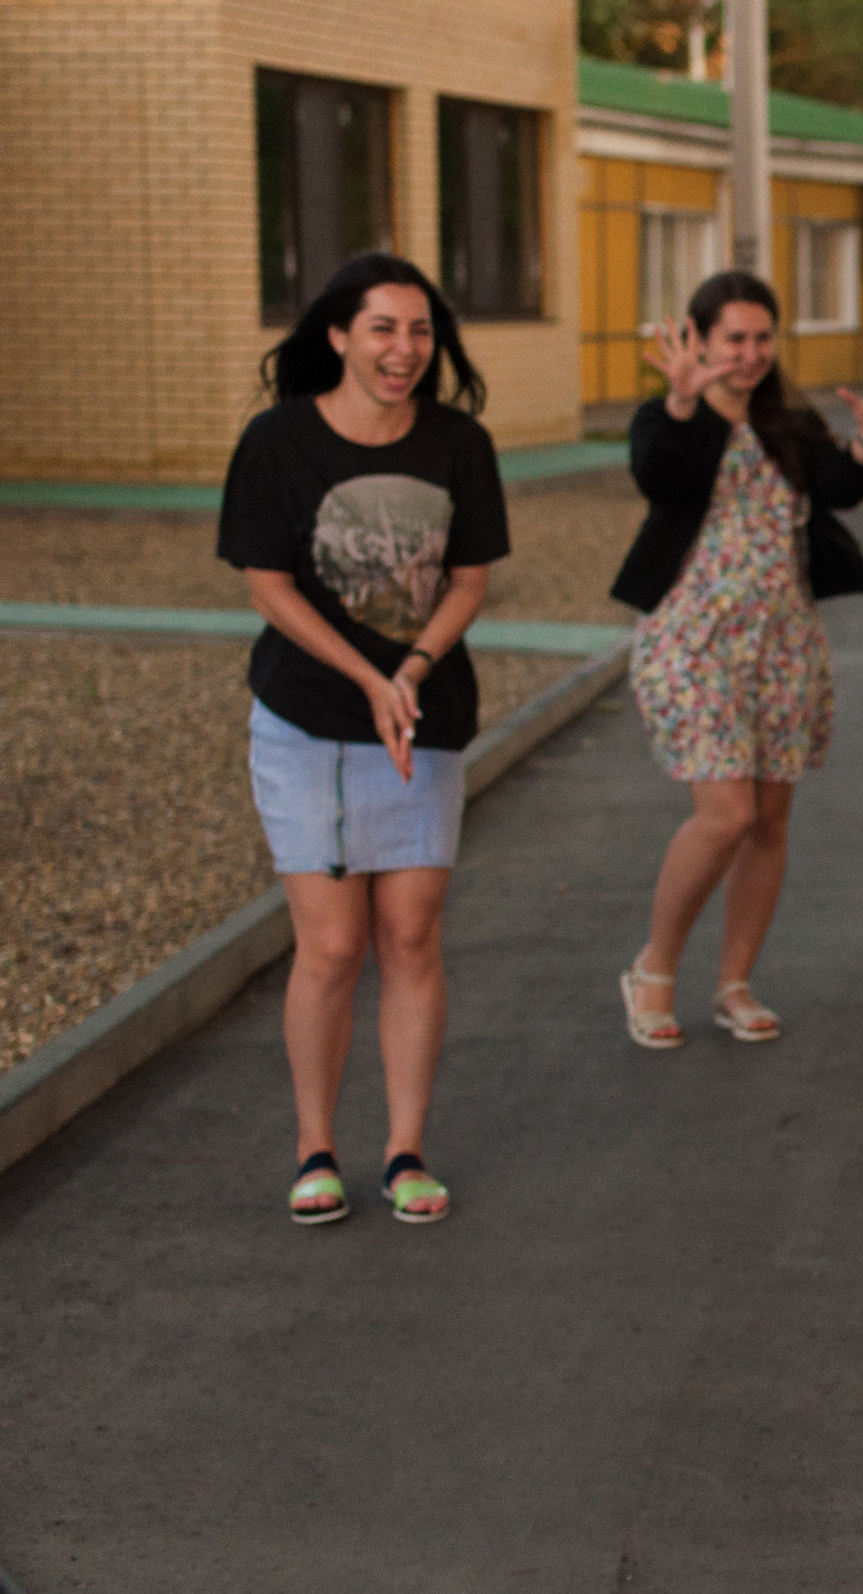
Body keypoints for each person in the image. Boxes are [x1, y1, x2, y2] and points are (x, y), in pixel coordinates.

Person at [219, 253, 507, 1226]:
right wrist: (367, 675)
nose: (405, 350)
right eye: (382, 328)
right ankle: (315, 1146)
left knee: (411, 934)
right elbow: (268, 586)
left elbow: (467, 579)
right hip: (305, 717)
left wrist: (413, 669)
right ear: (337, 335)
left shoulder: (459, 443)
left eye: (420, 331)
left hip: (423, 718)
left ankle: (404, 1150)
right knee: (333, 946)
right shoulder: (277, 442)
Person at [609, 270, 863, 1048]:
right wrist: (687, 401)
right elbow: (661, 476)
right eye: (733, 340)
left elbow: (840, 487)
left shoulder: (785, 418)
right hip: (693, 642)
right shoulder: (668, 418)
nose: (749, 355)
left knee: (770, 822)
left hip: (783, 641)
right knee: (726, 815)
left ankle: (734, 983)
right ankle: (653, 968)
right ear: (698, 341)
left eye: (761, 339)